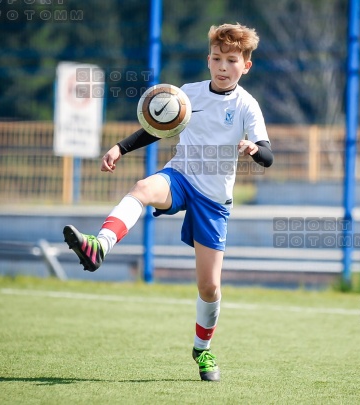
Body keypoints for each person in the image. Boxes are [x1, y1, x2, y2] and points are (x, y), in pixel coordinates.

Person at [63, 23, 273, 382]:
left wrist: (254, 149)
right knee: (143, 187)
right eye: (218, 59)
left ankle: (202, 350)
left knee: (209, 287)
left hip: (213, 199)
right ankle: (99, 246)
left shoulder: (247, 106)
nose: (224, 67)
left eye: (232, 60)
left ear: (246, 66)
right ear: (208, 60)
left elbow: (268, 154)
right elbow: (156, 125)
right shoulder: (186, 95)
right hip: (180, 177)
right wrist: (120, 147)